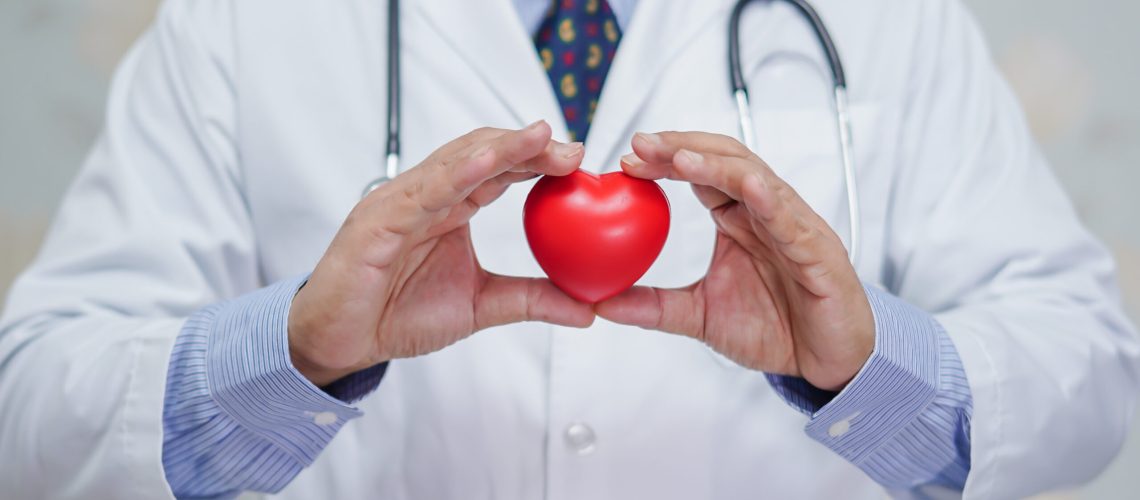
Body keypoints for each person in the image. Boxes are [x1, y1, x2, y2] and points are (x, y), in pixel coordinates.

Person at [1, 0, 1137, 498]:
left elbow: (1090, 369)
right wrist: (288, 354)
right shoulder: (245, 19)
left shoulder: (892, 15)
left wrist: (873, 365)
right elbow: (30, 404)